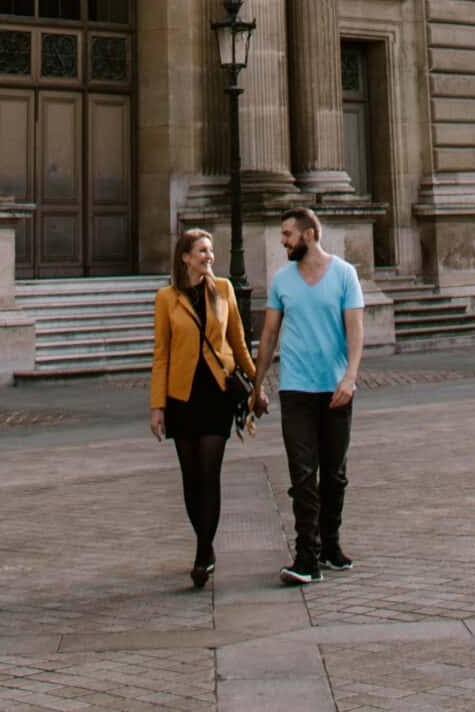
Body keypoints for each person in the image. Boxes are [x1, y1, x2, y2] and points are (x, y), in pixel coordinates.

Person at [251, 206, 364, 586]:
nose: (282, 241)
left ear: (309, 234)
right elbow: (268, 336)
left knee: (334, 475)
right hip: (296, 389)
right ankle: (306, 556)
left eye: (287, 234)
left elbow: (355, 331)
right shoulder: (282, 281)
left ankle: (330, 545)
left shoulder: (345, 274)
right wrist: (257, 384)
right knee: (303, 475)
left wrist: (350, 377)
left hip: (335, 390)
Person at [150, 228, 256, 588]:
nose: (209, 257)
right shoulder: (166, 298)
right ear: (185, 257)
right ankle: (204, 543)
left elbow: (238, 342)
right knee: (190, 478)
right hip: (181, 397)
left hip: (216, 393)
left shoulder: (224, 290)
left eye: (211, 251)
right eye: (202, 251)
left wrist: (257, 385)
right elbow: (161, 355)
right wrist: (157, 407)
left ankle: (203, 550)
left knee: (209, 473)